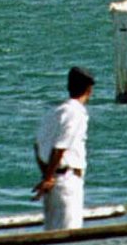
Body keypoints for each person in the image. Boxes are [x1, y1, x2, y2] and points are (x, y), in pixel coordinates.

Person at [33, 66, 94, 231]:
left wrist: (47, 176)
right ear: (89, 89)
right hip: (68, 180)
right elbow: (60, 148)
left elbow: (37, 146)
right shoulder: (77, 113)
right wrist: (48, 178)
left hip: (54, 181)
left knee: (51, 232)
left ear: (68, 87)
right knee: (70, 232)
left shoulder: (54, 112)